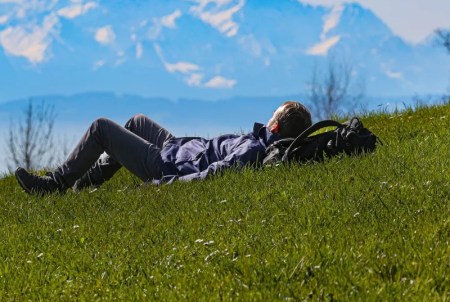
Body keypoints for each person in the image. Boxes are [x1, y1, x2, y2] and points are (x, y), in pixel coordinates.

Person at [15, 101, 312, 195]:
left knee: (101, 128)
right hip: (176, 146)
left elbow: (210, 175)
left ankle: (54, 186)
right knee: (136, 121)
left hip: (165, 163)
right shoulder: (258, 142)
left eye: (272, 115)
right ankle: (87, 180)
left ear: (274, 126)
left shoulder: (252, 151)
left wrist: (160, 183)